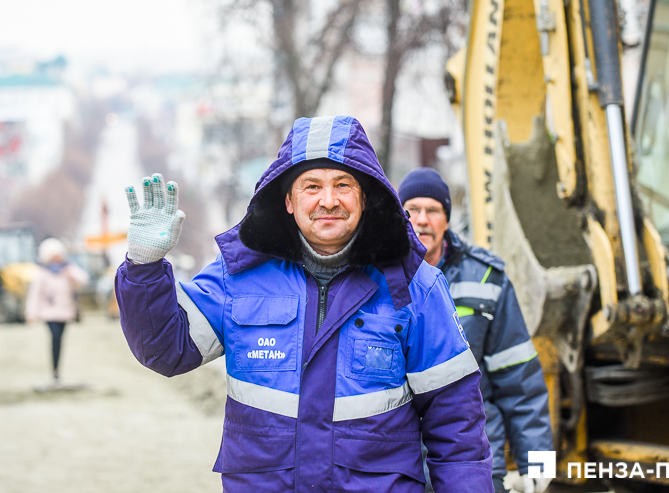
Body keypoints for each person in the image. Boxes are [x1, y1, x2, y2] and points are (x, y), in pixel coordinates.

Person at [116, 115, 493, 493]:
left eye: (343, 185)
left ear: (365, 197)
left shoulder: (415, 287)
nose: (328, 201)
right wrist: (144, 268)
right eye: (311, 186)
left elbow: (457, 429)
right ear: (288, 201)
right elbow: (166, 349)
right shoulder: (238, 277)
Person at [398, 168, 553, 493]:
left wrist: (539, 464)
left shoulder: (487, 278)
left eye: (433, 210)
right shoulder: (376, 278)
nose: (422, 220)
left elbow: (520, 379)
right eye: (412, 210)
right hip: (401, 467)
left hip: (477, 462)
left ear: (448, 218)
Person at [25, 238, 89, 383]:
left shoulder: (68, 269)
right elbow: (34, 295)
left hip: (65, 312)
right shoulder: (42, 273)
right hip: (49, 313)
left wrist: (70, 273)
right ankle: (55, 370)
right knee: (55, 337)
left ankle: (56, 370)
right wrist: (31, 314)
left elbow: (84, 280)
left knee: (60, 340)